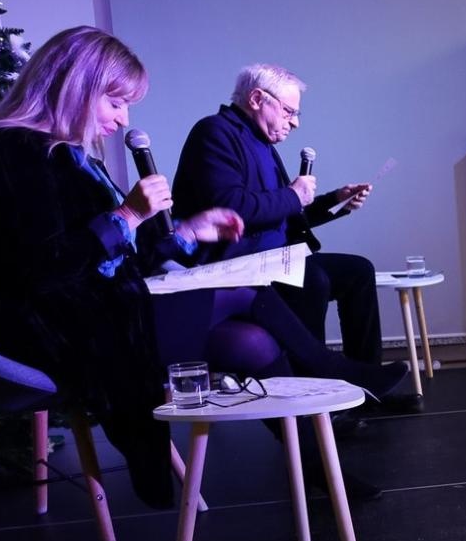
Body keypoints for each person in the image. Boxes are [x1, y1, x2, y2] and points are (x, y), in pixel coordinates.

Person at [0, 28, 407, 508]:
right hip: (50, 332)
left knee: (251, 342)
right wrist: (127, 215)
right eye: (116, 103)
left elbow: (119, 256)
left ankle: (317, 466)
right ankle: (334, 372)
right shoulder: (9, 152)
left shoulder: (68, 155)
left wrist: (190, 231)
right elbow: (42, 269)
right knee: (249, 290)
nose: (123, 120)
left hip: (95, 314)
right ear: (75, 87)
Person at [173, 65, 410, 410]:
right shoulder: (214, 132)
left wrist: (334, 202)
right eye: (288, 111)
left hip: (274, 258)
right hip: (237, 264)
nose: (295, 122)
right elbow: (230, 208)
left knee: (359, 271)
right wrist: (293, 195)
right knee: (311, 278)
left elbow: (281, 214)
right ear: (257, 99)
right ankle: (318, 400)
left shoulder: (261, 142)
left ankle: (367, 387)